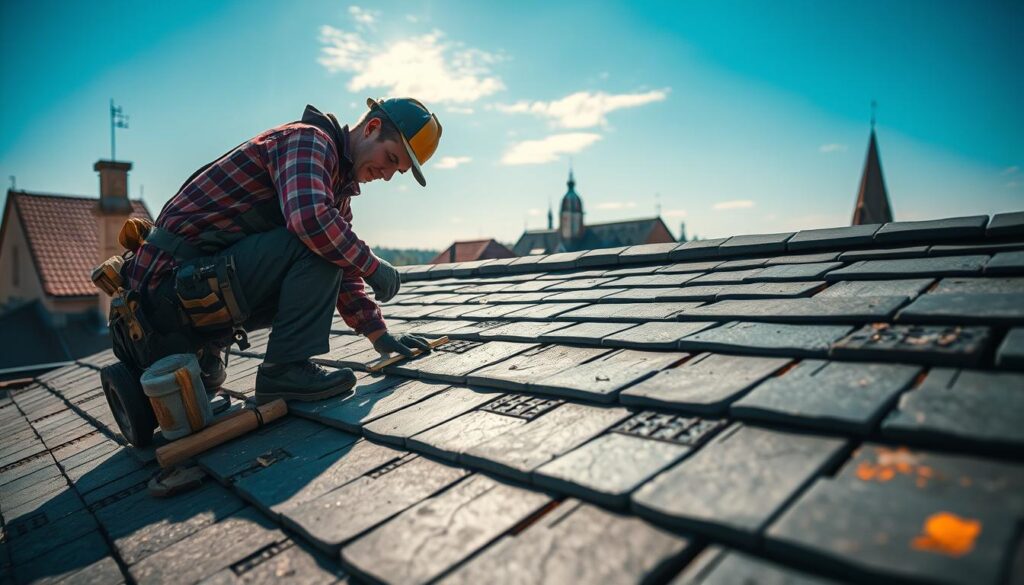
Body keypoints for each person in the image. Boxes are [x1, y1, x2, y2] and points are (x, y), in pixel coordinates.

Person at [115, 97, 441, 405]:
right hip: (163, 296)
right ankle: (284, 371)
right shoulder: (309, 141)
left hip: (190, 295)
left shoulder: (335, 191)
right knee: (320, 242)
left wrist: (378, 334)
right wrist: (372, 265)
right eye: (391, 159)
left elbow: (339, 259)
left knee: (331, 244)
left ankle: (242, 362)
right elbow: (311, 221)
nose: (385, 175)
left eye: (395, 172)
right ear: (371, 128)